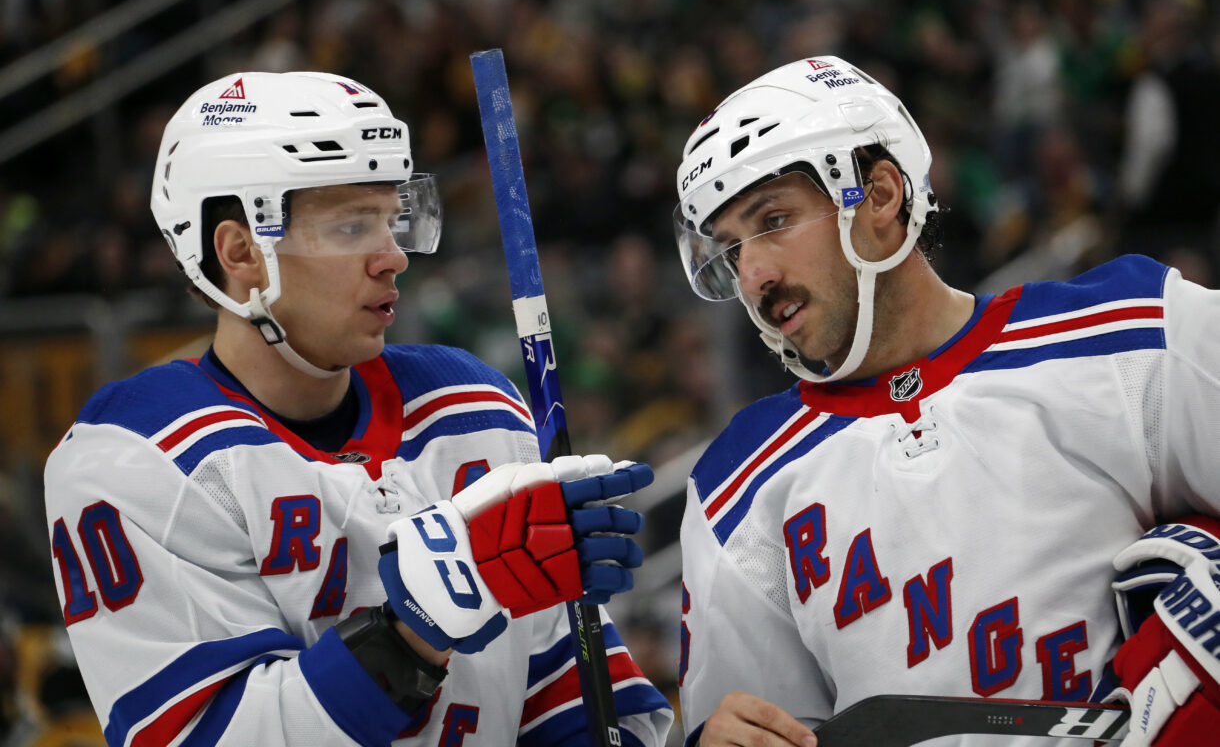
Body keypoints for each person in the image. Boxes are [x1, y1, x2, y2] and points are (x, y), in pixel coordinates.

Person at [43, 71, 673, 747]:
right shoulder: (137, 457)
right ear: (240, 252)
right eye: (351, 225)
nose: (393, 256)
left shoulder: (474, 409)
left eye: (392, 217)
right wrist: (412, 633)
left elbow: (567, 707)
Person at [670, 55, 1220, 746]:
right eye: (729, 250)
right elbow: (767, 725)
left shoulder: (1131, 331)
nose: (753, 275)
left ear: (879, 194)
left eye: (773, 219)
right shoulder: (734, 488)